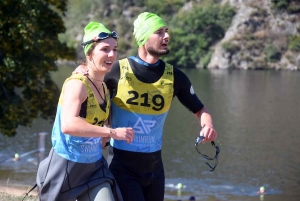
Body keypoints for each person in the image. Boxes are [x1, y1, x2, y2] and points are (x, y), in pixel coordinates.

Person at [74, 12, 218, 201]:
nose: (166, 36)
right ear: (143, 38)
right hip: (122, 165)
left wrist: (208, 126)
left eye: (166, 31)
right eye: (159, 32)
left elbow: (201, 110)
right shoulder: (117, 70)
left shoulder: (175, 77)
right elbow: (86, 86)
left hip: (155, 169)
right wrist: (83, 70)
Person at [35, 22, 134, 201]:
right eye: (105, 49)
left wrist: (105, 138)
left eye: (114, 49)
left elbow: (98, 127)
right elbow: (69, 124)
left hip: (94, 169)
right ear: (89, 54)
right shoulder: (77, 84)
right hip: (65, 167)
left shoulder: (104, 87)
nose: (112, 54)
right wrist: (111, 133)